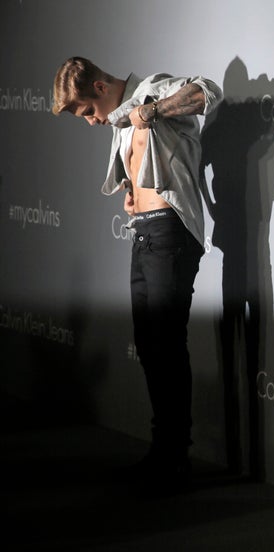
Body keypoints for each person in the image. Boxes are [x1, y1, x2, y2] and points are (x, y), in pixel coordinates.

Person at [52, 57, 222, 487]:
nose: (91, 122)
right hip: (143, 233)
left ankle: (175, 459)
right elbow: (146, 167)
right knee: (149, 346)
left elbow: (208, 92)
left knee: (167, 343)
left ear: (99, 85)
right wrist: (131, 192)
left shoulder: (152, 89)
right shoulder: (118, 124)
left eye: (89, 111)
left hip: (170, 234)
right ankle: (162, 450)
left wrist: (151, 110)